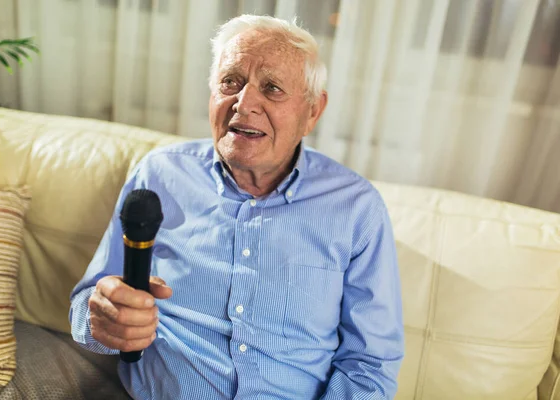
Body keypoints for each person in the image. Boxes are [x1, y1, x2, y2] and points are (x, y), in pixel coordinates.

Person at [70, 14, 404, 400]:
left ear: (312, 111)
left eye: (272, 88)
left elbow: (370, 365)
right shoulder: (159, 175)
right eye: (231, 82)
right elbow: (88, 303)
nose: (244, 104)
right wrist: (103, 321)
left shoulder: (356, 209)